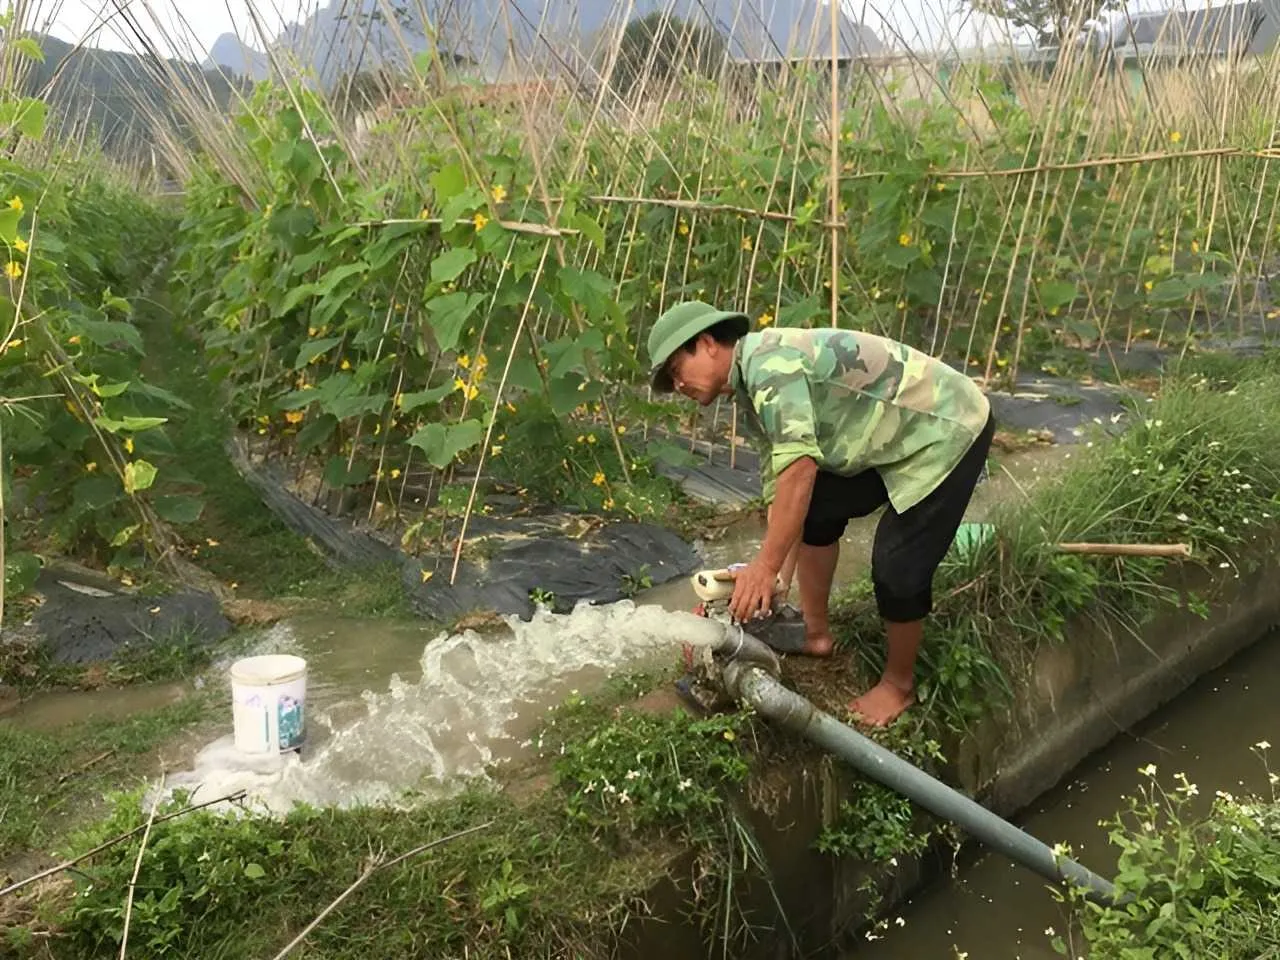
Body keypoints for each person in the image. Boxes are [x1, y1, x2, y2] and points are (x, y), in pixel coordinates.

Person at [647, 300, 994, 727]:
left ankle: (898, 686)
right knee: (814, 508)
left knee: (897, 567)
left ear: (706, 343)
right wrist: (775, 580)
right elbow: (782, 488)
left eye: (677, 369)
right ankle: (815, 633)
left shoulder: (770, 368)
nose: (677, 384)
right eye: (669, 380)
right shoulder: (749, 390)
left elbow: (800, 470)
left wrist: (765, 566)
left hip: (947, 426)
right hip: (893, 433)